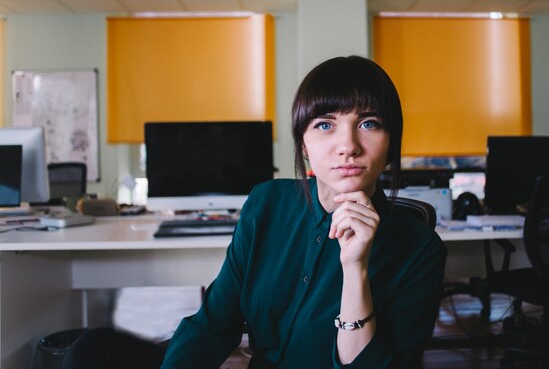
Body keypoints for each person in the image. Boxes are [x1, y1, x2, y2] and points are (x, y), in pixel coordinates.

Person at [63, 55, 446, 369]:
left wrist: (355, 269)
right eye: (326, 124)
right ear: (304, 144)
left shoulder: (420, 249)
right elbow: (215, 322)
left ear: (391, 140)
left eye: (368, 123)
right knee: (93, 348)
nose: (348, 145)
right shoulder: (268, 203)